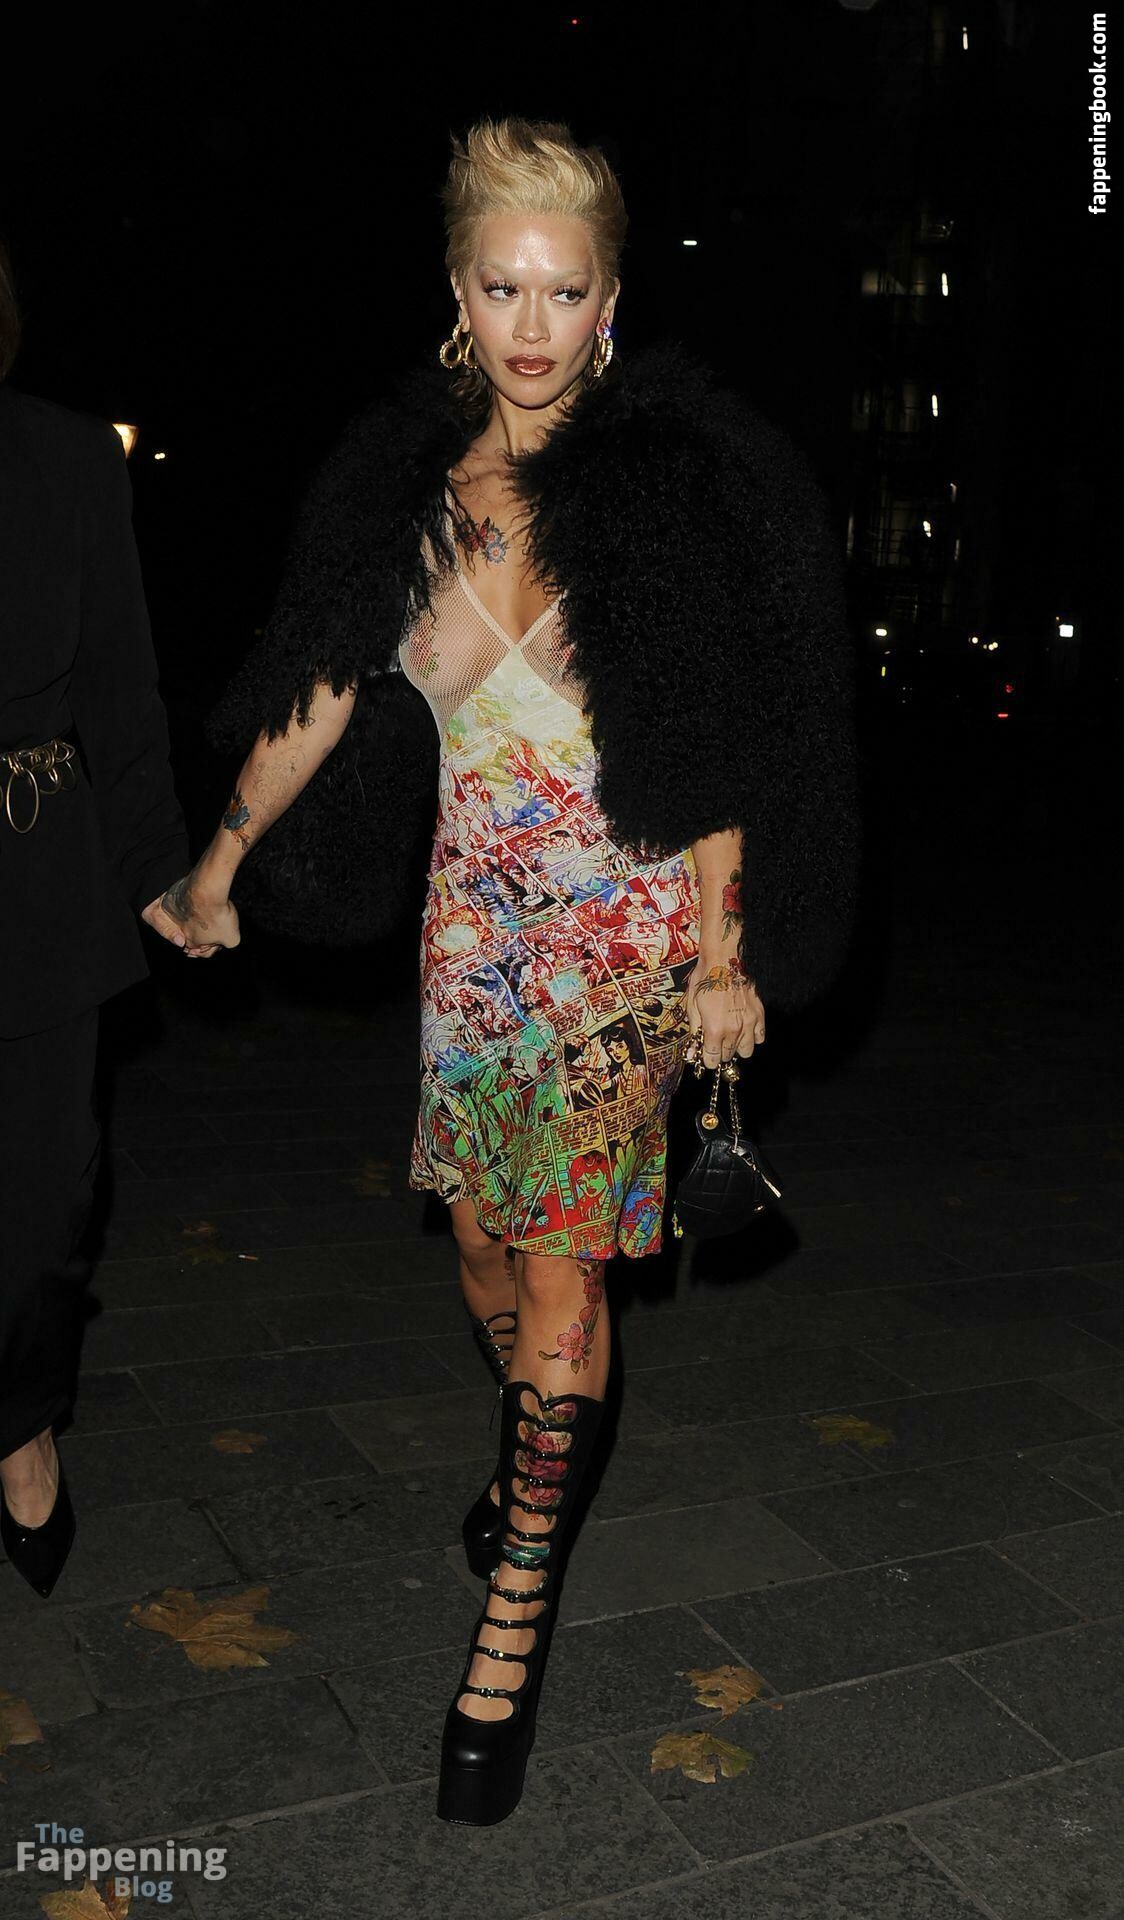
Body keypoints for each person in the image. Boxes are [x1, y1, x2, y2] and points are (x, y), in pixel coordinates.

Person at [160, 118, 860, 1825]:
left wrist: (722, 958)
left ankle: (516, 1608)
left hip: (626, 940)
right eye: (502, 286)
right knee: (479, 1240)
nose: (532, 324)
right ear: (457, 294)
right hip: (472, 941)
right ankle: (549, 1443)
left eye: (565, 290)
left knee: (561, 1278)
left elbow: (713, 733)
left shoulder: (660, 488)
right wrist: (220, 863)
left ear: (610, 303)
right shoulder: (403, 495)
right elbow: (320, 686)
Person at [0, 244, 192, 1597]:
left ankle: (20, 1421)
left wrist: (160, 870)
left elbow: (122, 685)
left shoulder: (67, 458)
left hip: (32, 875)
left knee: (43, 1200)